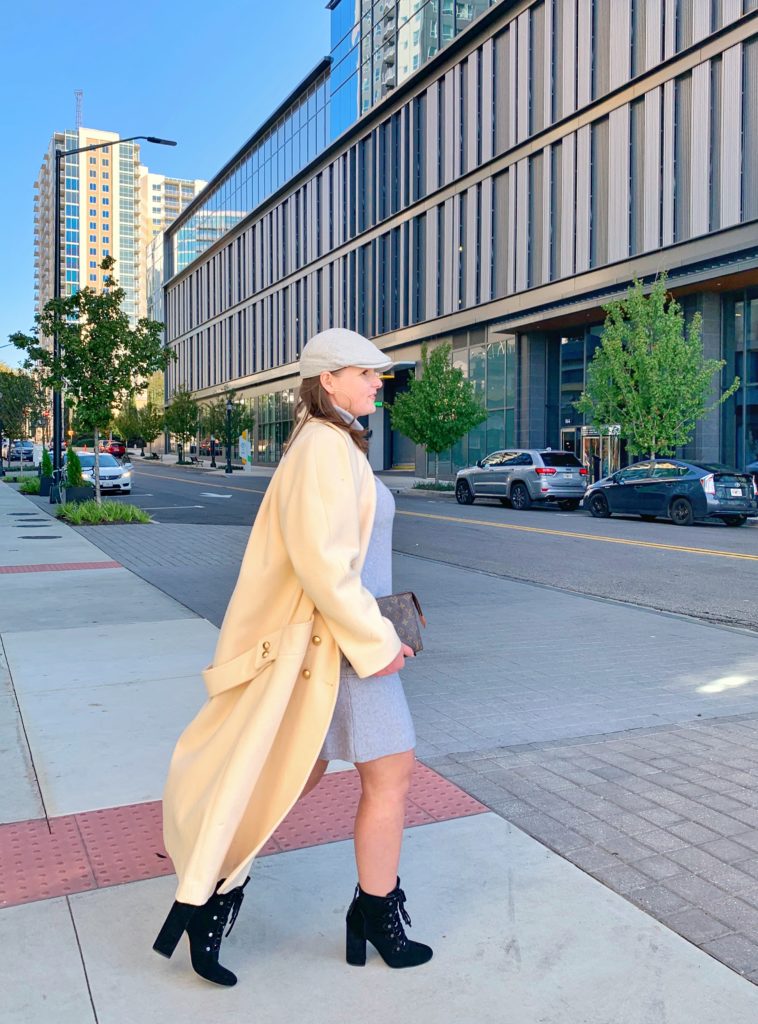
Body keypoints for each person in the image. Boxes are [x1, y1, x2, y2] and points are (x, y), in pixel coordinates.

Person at [152, 328, 432, 986]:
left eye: (377, 375)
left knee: (289, 774)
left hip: (337, 643)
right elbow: (324, 569)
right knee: (386, 774)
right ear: (327, 380)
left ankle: (214, 894)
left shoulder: (328, 445)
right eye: (365, 373)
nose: (376, 383)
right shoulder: (325, 449)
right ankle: (368, 917)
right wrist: (379, 643)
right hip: (342, 646)